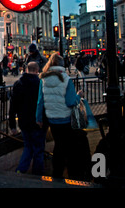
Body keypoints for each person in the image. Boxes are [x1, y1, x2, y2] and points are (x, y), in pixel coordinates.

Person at [36, 53, 91, 181]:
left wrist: (39, 118)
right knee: (68, 146)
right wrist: (79, 95)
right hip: (66, 118)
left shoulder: (43, 79)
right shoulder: (66, 79)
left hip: (52, 119)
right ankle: (72, 173)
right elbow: (71, 101)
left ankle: (57, 172)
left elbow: (40, 101)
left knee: (59, 144)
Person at [9, 61, 46, 175]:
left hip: (23, 122)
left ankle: (21, 170)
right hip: (37, 122)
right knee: (39, 150)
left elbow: (12, 107)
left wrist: (12, 126)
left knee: (28, 146)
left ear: (26, 70)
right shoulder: (40, 84)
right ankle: (37, 174)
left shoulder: (18, 84)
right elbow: (43, 104)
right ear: (37, 71)